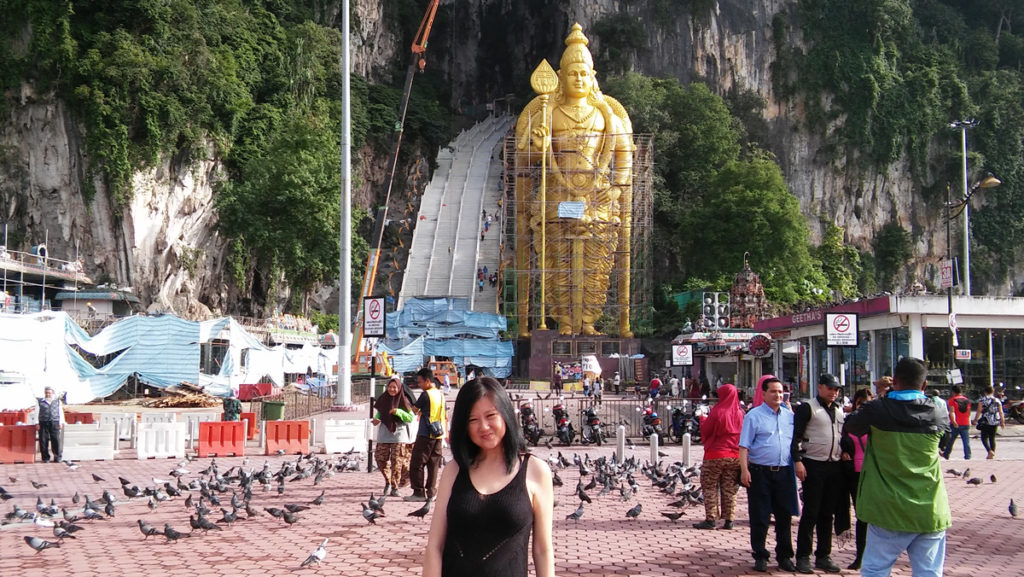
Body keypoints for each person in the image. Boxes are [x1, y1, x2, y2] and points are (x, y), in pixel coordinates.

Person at [423, 377, 554, 577]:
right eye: (472, 420)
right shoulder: (454, 470)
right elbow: (435, 547)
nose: (483, 427)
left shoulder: (536, 470)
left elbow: (542, 550)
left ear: (506, 415)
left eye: (490, 415)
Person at [843, 357, 951, 577]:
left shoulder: (877, 409)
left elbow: (851, 426)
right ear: (924, 385)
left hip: (887, 508)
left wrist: (884, 399)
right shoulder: (938, 411)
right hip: (930, 508)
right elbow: (945, 440)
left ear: (895, 382)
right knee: (929, 572)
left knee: (875, 570)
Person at [739, 376, 799, 573]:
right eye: (773, 391)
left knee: (784, 516)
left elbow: (794, 444)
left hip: (783, 471)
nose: (778, 395)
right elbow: (744, 446)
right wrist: (744, 470)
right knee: (760, 516)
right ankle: (760, 555)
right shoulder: (753, 416)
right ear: (763, 394)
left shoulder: (789, 416)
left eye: (781, 392)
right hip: (760, 472)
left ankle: (784, 556)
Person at [791, 374, 848, 574]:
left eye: (837, 389)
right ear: (820, 387)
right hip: (813, 464)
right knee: (811, 513)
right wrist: (797, 461)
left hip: (834, 465)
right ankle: (803, 556)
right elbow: (796, 436)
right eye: (830, 388)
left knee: (828, 513)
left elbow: (843, 435)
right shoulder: (808, 408)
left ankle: (824, 555)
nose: (834, 392)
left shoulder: (839, 410)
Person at [693, 383, 744, 531]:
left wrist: (702, 418)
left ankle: (711, 519)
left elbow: (706, 430)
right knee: (729, 488)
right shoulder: (741, 413)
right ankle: (729, 520)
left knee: (709, 486)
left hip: (715, 455)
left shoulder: (718, 411)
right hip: (735, 455)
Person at [839, 387, 874, 570]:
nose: (862, 407)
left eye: (866, 404)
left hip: (872, 474)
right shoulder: (848, 423)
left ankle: (872, 556)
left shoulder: (876, 425)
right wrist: (844, 451)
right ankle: (860, 556)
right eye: (860, 403)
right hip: (852, 474)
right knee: (860, 515)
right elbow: (840, 444)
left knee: (872, 517)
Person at [406, 367, 448, 502]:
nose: (419, 385)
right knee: (433, 464)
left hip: (426, 433)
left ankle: (418, 492)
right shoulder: (439, 393)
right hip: (439, 433)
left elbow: (414, 409)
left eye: (420, 382)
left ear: (428, 381)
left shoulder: (426, 395)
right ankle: (431, 492)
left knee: (417, 463)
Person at [373, 375, 415, 497]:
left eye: (394, 387)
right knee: (380, 459)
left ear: (399, 388)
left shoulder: (404, 401)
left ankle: (395, 486)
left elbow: (410, 418)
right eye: (390, 387)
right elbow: (380, 413)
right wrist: (376, 419)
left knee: (397, 461)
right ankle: (388, 481)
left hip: (399, 434)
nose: (392, 389)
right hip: (384, 434)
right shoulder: (383, 399)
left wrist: (399, 412)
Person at [972, 383, 1005, 459]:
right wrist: (1002, 421)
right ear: (993, 392)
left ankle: (989, 451)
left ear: (985, 392)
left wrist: (975, 420)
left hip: (986, 421)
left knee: (984, 438)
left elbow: (979, 410)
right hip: (995, 421)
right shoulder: (997, 400)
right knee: (992, 438)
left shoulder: (982, 399)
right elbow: (1001, 412)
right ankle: (992, 453)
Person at [34, 386, 66, 463]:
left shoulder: (57, 401)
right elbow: (36, 412)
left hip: (55, 422)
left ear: (52, 393)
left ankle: (57, 457)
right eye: (46, 393)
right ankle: (45, 458)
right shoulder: (39, 401)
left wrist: (61, 422)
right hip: (43, 422)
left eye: (49, 393)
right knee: (43, 440)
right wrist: (36, 423)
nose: (48, 394)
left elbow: (60, 412)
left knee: (56, 440)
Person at [942, 384, 972, 460]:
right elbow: (969, 412)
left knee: (950, 440)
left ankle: (946, 453)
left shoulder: (952, 400)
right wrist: (969, 421)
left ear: (953, 392)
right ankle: (968, 456)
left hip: (956, 423)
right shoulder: (967, 400)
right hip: (965, 422)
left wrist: (954, 421)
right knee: (966, 441)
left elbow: (952, 412)